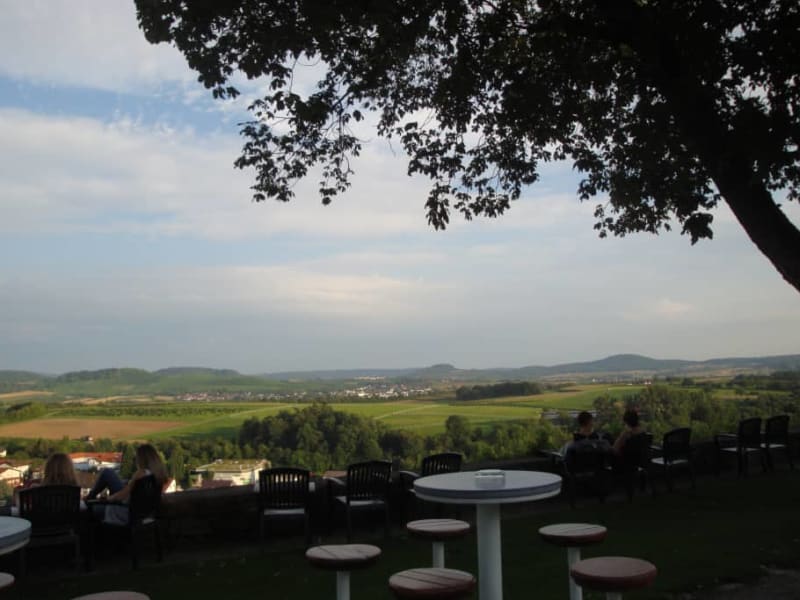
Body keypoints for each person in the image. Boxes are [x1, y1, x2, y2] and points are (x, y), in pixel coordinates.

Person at [87, 444, 166, 525]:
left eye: (137, 458)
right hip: (143, 514)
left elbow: (122, 495)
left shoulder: (141, 473)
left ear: (142, 459)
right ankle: (89, 498)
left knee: (107, 473)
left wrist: (108, 499)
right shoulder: (158, 474)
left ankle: (88, 499)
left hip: (126, 512)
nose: (136, 460)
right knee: (109, 474)